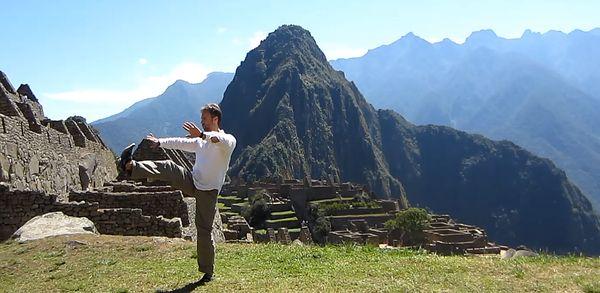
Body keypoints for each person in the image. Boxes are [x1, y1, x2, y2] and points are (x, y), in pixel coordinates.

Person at [118, 103, 236, 283]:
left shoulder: (228, 141)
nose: (202, 122)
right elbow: (182, 143)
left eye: (204, 119)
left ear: (215, 119)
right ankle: (131, 167)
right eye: (201, 119)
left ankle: (208, 271)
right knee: (169, 167)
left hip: (208, 192)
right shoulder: (200, 141)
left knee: (204, 230)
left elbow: (219, 140)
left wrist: (203, 135)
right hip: (192, 181)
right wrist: (160, 142)